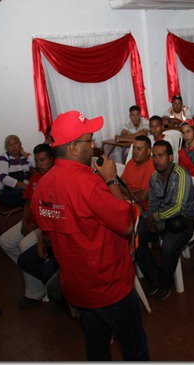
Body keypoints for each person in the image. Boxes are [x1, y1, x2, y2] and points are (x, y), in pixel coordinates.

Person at [31, 110, 149, 361]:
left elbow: (50, 231)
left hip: (78, 287)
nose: (94, 144)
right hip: (111, 286)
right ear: (73, 147)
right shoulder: (89, 185)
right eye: (90, 140)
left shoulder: (41, 186)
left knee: (97, 349)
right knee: (134, 349)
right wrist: (110, 181)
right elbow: (128, 222)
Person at [135, 140, 194, 301]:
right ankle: (155, 277)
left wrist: (153, 217)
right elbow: (154, 203)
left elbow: (178, 207)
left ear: (170, 157)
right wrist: (150, 217)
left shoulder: (180, 174)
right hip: (163, 217)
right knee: (136, 237)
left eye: (161, 156)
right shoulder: (154, 177)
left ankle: (166, 283)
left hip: (184, 220)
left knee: (168, 246)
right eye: (154, 156)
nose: (156, 160)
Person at [0, 143, 55, 308]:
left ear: (52, 159)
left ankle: (34, 292)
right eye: (37, 161)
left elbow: (53, 211)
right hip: (31, 218)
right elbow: (28, 200)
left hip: (45, 221)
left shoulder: (56, 177)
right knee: (5, 241)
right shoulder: (36, 176)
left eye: (43, 160)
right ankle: (38, 277)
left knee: (24, 245)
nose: (40, 164)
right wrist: (24, 220)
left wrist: (35, 224)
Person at [0, 135, 34, 208]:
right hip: (5, 193)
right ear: (6, 148)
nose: (13, 147)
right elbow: (3, 178)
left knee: (33, 194)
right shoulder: (3, 158)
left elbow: (37, 165)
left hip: (22, 190)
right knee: (28, 194)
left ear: (20, 144)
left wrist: (24, 154)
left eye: (15, 143)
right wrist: (25, 186)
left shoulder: (24, 157)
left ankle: (25, 218)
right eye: (10, 145)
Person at [120, 135, 155, 210]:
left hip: (140, 208)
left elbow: (142, 197)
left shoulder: (152, 166)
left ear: (148, 151)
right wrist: (131, 192)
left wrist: (125, 191)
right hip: (126, 201)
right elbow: (120, 183)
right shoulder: (131, 162)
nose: (134, 151)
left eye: (139, 149)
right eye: (134, 148)